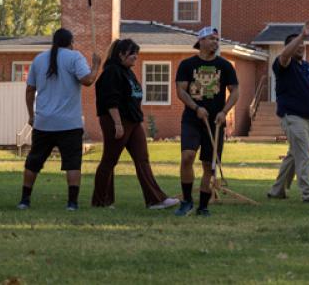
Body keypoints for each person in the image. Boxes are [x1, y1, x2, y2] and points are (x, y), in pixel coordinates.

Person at [17, 28, 101, 211]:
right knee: (72, 162)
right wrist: (96, 65)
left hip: (44, 122)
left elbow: (30, 89)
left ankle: (24, 200)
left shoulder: (39, 59)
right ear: (70, 42)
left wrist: (31, 115)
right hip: (69, 123)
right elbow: (87, 80)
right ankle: (72, 203)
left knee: (34, 161)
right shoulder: (74, 57)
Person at [91, 38, 178, 210]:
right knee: (110, 160)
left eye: (136, 54)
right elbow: (110, 101)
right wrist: (117, 124)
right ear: (121, 54)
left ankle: (155, 200)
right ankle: (101, 201)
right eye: (132, 54)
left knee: (142, 158)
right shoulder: (111, 72)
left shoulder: (128, 72)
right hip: (117, 120)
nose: (136, 57)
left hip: (133, 121)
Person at [174, 27, 239, 216]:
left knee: (209, 166)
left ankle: (203, 206)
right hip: (192, 120)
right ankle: (186, 201)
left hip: (215, 123)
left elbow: (235, 91)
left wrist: (224, 111)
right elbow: (181, 91)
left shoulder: (225, 66)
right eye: (211, 39)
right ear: (200, 41)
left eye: (217, 39)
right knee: (187, 157)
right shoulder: (187, 65)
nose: (215, 42)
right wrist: (196, 108)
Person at [267, 20, 309, 202]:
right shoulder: (283, 64)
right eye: (297, 44)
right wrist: (302, 35)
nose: (301, 46)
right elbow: (285, 56)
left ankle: (277, 190)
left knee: (295, 154)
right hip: (293, 117)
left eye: (303, 44)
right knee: (303, 155)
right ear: (289, 47)